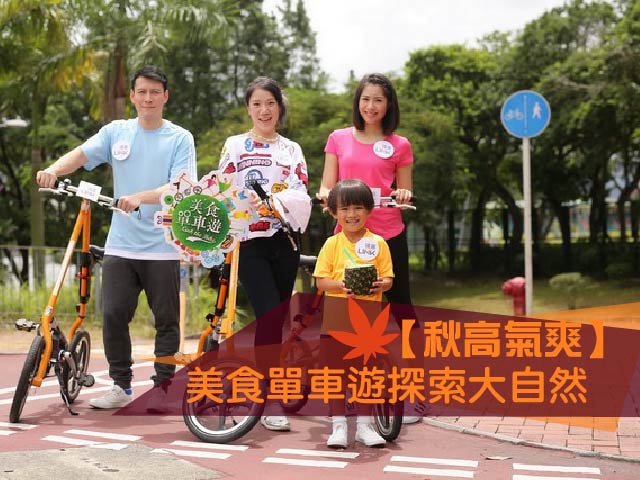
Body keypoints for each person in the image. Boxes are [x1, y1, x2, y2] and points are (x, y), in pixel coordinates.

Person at [36, 65, 197, 412]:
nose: (148, 98)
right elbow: (81, 154)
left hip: (163, 245)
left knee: (166, 320)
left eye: (155, 92)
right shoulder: (117, 132)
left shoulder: (180, 138)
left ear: (165, 97)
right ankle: (121, 385)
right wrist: (53, 170)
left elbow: (180, 186)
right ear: (133, 96)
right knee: (112, 315)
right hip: (121, 243)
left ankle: (163, 388)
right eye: (142, 92)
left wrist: (140, 197)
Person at [318, 73, 423, 424]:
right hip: (347, 241)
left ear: (388, 105)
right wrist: (325, 196)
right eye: (366, 99)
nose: (371, 106)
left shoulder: (400, 144)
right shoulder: (338, 139)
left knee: (402, 311)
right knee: (346, 316)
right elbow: (327, 185)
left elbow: (404, 191)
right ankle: (349, 394)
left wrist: (403, 193)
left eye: (378, 99)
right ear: (357, 102)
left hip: (388, 237)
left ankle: (413, 392)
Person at [217, 76, 310, 432]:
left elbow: (301, 191)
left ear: (279, 107)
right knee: (269, 315)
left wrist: (276, 203)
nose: (264, 110)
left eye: (270, 103)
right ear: (248, 109)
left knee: (277, 320)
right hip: (249, 242)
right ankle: (268, 400)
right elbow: (223, 189)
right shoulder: (235, 145)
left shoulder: (292, 149)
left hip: (285, 242)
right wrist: (246, 203)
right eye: (257, 104)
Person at [313, 179, 394, 448]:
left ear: (369, 210)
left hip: (369, 323)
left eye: (358, 207)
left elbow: (388, 278)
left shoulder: (379, 243)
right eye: (344, 209)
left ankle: (364, 426)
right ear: (334, 213)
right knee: (335, 375)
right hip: (336, 320)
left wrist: (382, 284)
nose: (351, 214)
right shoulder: (331, 244)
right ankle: (338, 427)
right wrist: (340, 286)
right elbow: (321, 281)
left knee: (366, 375)